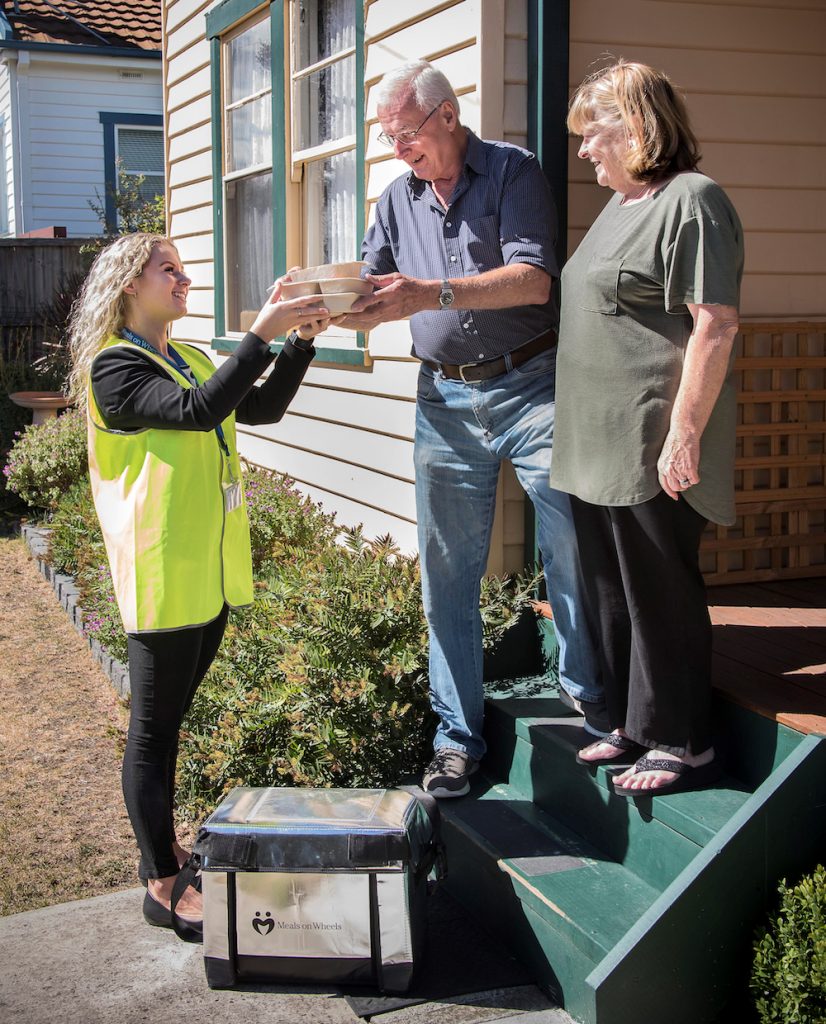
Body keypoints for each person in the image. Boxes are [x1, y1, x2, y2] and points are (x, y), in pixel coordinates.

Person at [339, 59, 601, 798]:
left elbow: (534, 278)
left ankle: (588, 692)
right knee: (446, 574)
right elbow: (374, 289)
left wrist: (433, 291)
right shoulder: (396, 198)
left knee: (572, 537)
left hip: (533, 384)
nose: (398, 150)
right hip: (444, 402)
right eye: (388, 138)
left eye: (405, 134)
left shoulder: (514, 173)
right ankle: (458, 738)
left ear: (447, 117)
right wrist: (317, 300)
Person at [67, 233, 330, 934]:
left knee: (170, 726)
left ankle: (169, 847)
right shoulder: (112, 370)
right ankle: (159, 881)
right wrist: (260, 331)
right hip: (159, 574)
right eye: (169, 270)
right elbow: (196, 412)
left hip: (205, 574)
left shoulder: (182, 356)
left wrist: (297, 343)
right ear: (130, 284)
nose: (183, 280)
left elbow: (257, 408)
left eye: (183, 269)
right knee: (151, 737)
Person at [550, 61, 744, 796]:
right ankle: (636, 722)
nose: (584, 151)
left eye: (592, 134)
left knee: (659, 591)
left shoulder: (692, 201)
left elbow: (715, 325)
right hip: (591, 441)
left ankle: (685, 740)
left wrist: (684, 432)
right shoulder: (623, 205)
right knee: (611, 593)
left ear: (636, 127)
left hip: (646, 437)